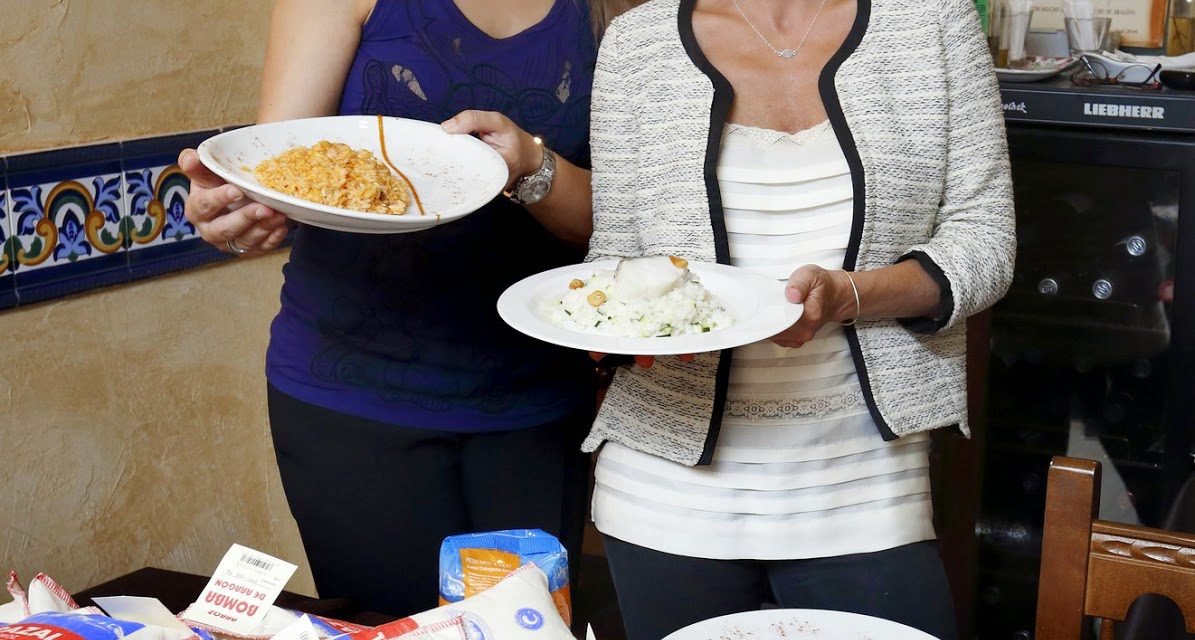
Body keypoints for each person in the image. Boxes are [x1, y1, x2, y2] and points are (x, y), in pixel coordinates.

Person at [179, 0, 633, 616]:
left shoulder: (621, 10)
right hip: (352, 396)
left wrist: (532, 165)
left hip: (537, 398)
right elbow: (275, 175)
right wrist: (233, 219)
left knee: (532, 631)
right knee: (390, 628)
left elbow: (624, 232)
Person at [584, 0, 1015, 638]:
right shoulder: (635, 44)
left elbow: (986, 240)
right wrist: (612, 333)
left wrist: (851, 296)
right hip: (665, 493)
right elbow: (615, 256)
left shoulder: (933, 23)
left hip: (866, 488)